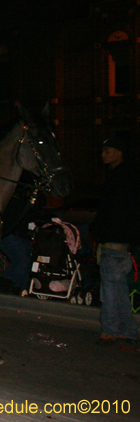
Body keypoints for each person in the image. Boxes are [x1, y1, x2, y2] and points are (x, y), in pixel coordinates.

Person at [90, 137, 139, 346]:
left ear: (119, 152)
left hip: (114, 242)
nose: (103, 155)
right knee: (119, 290)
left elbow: (112, 211)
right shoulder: (128, 176)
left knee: (110, 289)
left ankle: (110, 330)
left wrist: (101, 234)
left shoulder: (121, 178)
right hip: (122, 243)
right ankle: (129, 330)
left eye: (107, 151)